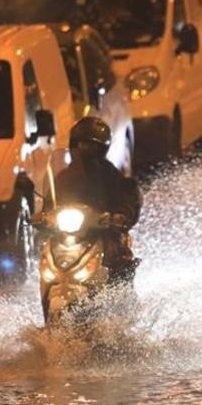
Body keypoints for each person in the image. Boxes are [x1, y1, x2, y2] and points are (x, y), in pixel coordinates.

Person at [52, 117, 142, 282]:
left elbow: (127, 198)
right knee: (48, 248)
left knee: (117, 254)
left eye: (91, 146)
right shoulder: (63, 177)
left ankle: (118, 294)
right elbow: (50, 201)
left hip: (102, 231)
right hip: (72, 234)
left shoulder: (111, 176)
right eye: (81, 144)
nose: (84, 149)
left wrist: (120, 215)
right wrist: (43, 215)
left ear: (101, 148)